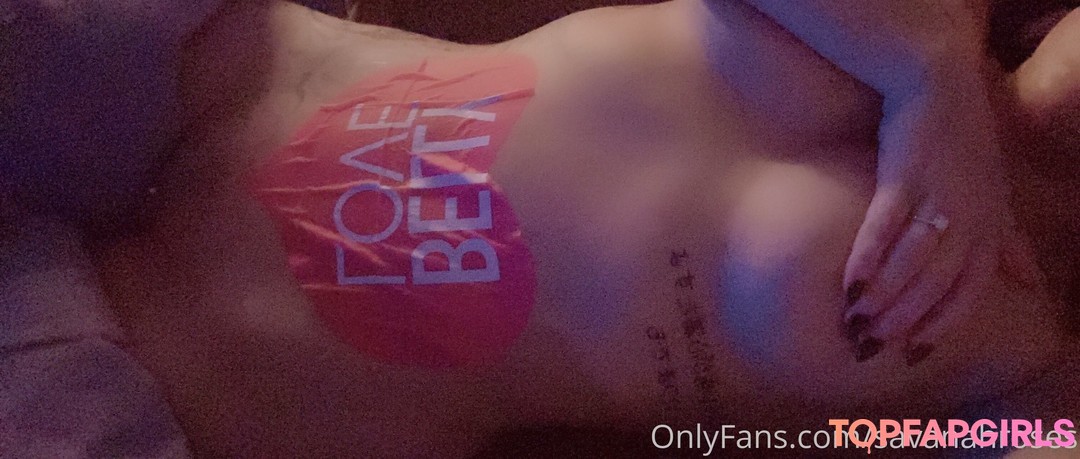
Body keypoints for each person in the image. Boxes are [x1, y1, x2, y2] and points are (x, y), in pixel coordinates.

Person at [79, 0, 1078, 456]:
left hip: (189, 381)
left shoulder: (1031, 385)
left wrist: (732, 432)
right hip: (183, 72)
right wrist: (930, 74)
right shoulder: (946, 19)